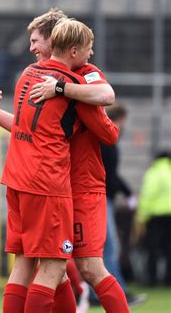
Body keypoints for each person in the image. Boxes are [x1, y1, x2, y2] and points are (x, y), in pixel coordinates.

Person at [0, 10, 130, 313]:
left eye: (35, 41)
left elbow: (106, 96)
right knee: (52, 267)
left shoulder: (75, 75)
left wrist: (61, 89)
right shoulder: (49, 76)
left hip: (71, 184)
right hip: (50, 183)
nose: (32, 47)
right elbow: (109, 131)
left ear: (54, 41)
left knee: (79, 267)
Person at [99, 104, 147, 306]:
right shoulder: (108, 142)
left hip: (102, 198)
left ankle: (102, 292)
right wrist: (128, 194)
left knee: (104, 248)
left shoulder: (106, 141)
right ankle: (118, 291)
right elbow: (111, 175)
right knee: (109, 248)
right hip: (102, 200)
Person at [136, 150, 171, 286]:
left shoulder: (154, 172)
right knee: (169, 249)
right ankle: (168, 279)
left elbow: (148, 195)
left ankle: (152, 279)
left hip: (155, 216)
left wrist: (141, 216)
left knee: (153, 248)